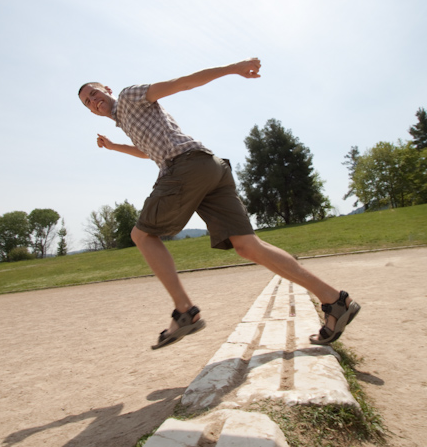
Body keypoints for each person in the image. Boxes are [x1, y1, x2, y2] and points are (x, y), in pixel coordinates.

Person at [78, 58, 360, 349]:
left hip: (184, 167)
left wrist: (232, 69)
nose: (94, 101)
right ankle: (336, 300)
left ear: (107, 89)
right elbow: (146, 151)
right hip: (211, 168)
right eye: (88, 102)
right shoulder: (126, 120)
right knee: (248, 246)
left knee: (141, 235)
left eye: (95, 93)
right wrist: (113, 146)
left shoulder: (129, 97)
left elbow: (181, 83)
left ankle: (184, 311)